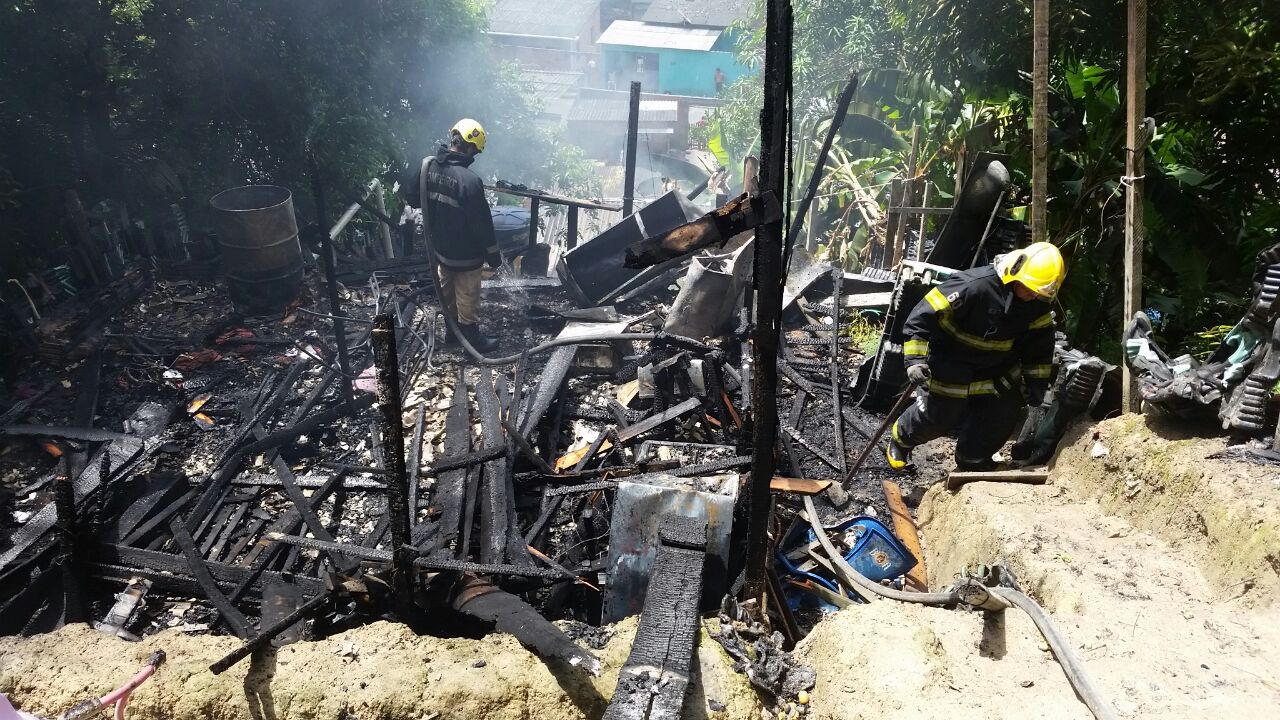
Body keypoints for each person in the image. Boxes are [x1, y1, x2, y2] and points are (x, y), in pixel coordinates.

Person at [886, 242, 1066, 471]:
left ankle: (972, 457)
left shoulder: (1037, 304)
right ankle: (902, 439)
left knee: (1003, 411)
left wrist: (1036, 383)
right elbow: (921, 318)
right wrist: (914, 361)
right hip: (951, 362)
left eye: (1038, 292)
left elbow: (1038, 345)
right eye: (1029, 288)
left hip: (995, 369)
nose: (1032, 295)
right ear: (1014, 273)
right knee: (939, 417)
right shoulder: (973, 286)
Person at [404, 118, 501, 353]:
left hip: (440, 251)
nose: (474, 156)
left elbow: (413, 198)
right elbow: (482, 225)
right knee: (467, 295)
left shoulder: (428, 167)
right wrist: (493, 255)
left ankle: (452, 334)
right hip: (466, 256)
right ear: (468, 146)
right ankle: (471, 340)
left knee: (446, 292)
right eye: (475, 151)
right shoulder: (469, 181)